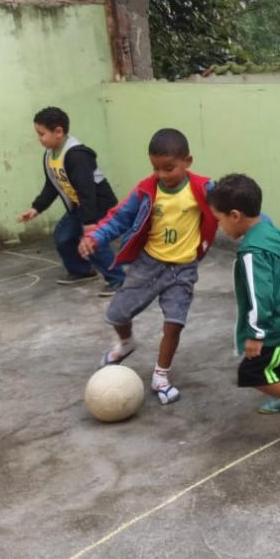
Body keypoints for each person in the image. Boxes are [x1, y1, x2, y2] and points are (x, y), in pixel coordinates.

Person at [79, 128, 217, 405]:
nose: (162, 174)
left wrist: (259, 228)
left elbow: (238, 206)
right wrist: (95, 237)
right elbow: (119, 218)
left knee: (174, 324)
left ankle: (161, 375)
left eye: (169, 168)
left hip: (183, 269)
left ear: (187, 161)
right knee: (117, 314)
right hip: (149, 264)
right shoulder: (146, 189)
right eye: (156, 168)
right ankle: (127, 342)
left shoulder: (203, 188)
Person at [207, 173, 280, 443]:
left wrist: (255, 334)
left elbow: (260, 294)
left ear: (235, 215)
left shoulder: (252, 252)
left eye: (219, 219)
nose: (219, 227)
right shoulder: (271, 230)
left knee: (253, 372)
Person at [17, 106, 124, 295]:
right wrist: (36, 208)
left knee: (93, 242)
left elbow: (87, 191)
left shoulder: (76, 155)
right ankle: (82, 271)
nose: (39, 138)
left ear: (58, 132)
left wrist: (89, 223)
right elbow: (52, 185)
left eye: (42, 134)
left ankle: (118, 280)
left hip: (98, 205)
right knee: (63, 237)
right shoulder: (50, 155)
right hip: (80, 206)